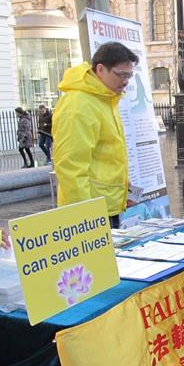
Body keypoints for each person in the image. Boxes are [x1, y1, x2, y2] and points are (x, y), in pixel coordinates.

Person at [52, 42, 139, 228]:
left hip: (107, 206)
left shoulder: (106, 99)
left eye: (129, 75)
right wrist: (86, 218)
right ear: (100, 69)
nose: (126, 81)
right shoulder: (78, 105)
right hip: (91, 214)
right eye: (121, 74)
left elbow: (108, 156)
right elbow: (71, 167)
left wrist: (123, 193)